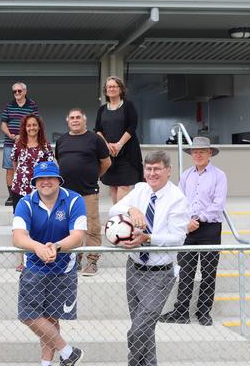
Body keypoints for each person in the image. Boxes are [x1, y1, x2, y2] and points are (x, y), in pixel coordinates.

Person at [108, 150, 189, 366]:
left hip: (160, 274)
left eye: (157, 169)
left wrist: (148, 238)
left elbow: (177, 238)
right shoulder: (141, 190)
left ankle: (132, 363)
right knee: (145, 329)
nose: (152, 173)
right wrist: (132, 208)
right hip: (134, 269)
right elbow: (114, 210)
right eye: (149, 168)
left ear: (168, 171)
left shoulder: (177, 199)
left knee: (138, 329)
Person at [12, 161, 87, 366]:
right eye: (41, 179)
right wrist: (39, 248)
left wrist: (55, 247)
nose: (46, 182)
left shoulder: (75, 200)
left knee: (52, 319)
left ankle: (47, 363)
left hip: (63, 268)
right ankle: (68, 351)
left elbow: (78, 236)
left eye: (50, 177)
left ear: (58, 180)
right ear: (35, 182)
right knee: (28, 315)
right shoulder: (25, 203)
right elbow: (18, 237)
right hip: (34, 267)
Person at [159, 137, 227, 326]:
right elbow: (180, 201)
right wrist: (186, 221)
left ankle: (204, 312)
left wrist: (199, 218)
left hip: (210, 229)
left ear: (209, 153)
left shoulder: (219, 175)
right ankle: (181, 312)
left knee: (208, 271)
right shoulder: (186, 175)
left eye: (202, 151)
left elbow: (218, 204)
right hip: (188, 228)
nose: (198, 154)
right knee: (185, 271)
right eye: (195, 152)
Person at [55, 108, 111, 276]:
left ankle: (92, 261)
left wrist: (94, 176)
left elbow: (106, 162)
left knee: (92, 227)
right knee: (69, 227)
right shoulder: (62, 140)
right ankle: (75, 259)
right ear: (68, 121)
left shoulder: (95, 139)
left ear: (85, 120)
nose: (75, 120)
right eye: (72, 117)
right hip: (66, 194)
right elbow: (60, 161)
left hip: (88, 191)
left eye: (78, 117)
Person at [94, 76, 143, 203]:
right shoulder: (102, 109)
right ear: (105, 90)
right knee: (114, 186)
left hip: (127, 153)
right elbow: (98, 130)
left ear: (121, 89)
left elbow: (132, 126)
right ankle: (116, 217)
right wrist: (107, 146)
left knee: (124, 185)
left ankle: (121, 216)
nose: (112, 89)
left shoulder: (128, 106)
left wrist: (119, 144)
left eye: (114, 86)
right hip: (109, 154)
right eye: (109, 86)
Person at [0, 82, 39, 205]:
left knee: (27, 167)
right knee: (10, 169)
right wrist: (10, 135)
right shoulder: (9, 105)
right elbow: (3, 124)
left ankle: (27, 193)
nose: (17, 93)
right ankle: (12, 196)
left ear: (25, 92)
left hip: (27, 143)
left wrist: (22, 136)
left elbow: (35, 123)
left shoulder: (32, 105)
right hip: (9, 143)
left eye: (19, 91)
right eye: (14, 91)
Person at [10, 114, 54, 210]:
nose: (31, 128)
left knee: (38, 220)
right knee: (20, 219)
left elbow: (49, 168)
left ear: (39, 127)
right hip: (19, 190)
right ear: (25, 128)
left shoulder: (46, 146)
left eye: (34, 125)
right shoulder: (18, 145)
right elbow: (15, 163)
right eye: (28, 125)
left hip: (40, 190)